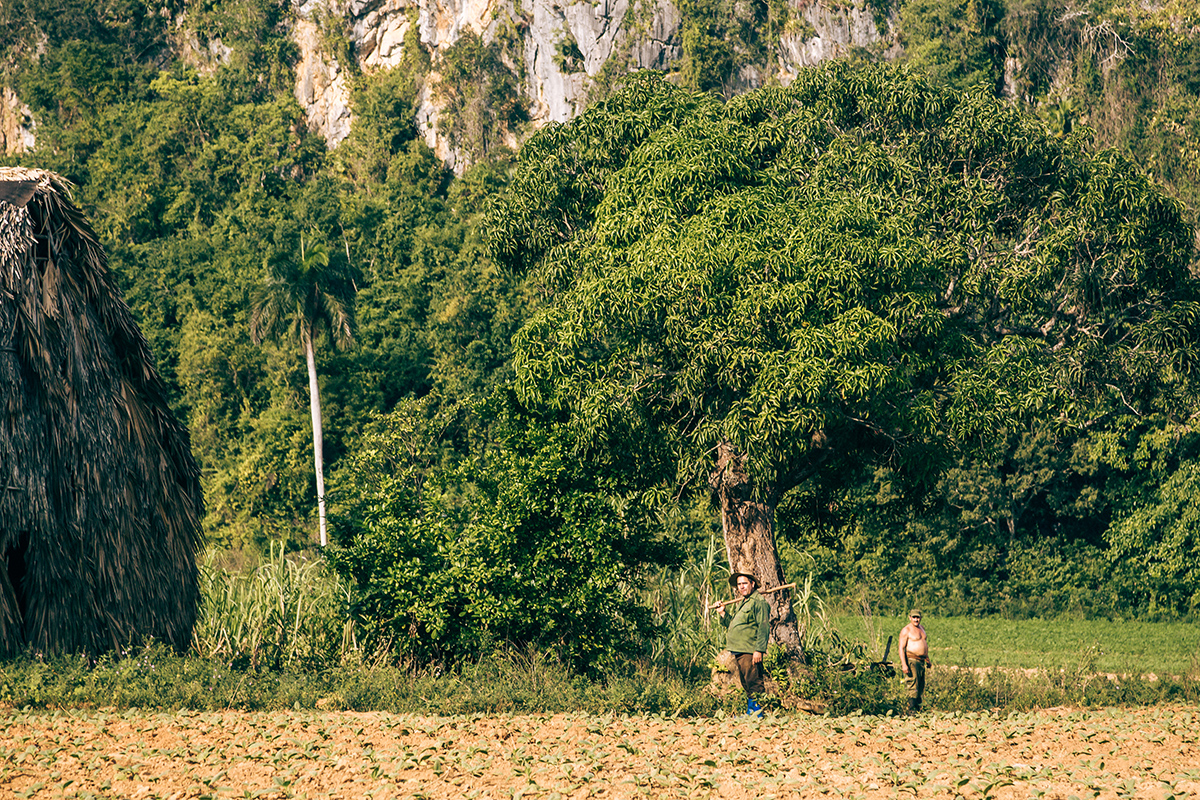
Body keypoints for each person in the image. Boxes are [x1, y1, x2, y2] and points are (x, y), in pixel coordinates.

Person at [714, 571, 770, 715]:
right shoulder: (744, 603)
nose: (741, 587)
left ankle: (758, 713)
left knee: (754, 682)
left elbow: (763, 627)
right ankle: (750, 712)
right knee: (746, 682)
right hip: (739, 649)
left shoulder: (759, 603)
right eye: (739, 584)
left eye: (744, 583)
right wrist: (722, 613)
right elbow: (734, 624)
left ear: (752, 584)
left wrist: (759, 650)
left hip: (749, 650)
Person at [898, 609, 931, 713]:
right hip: (912, 660)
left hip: (921, 661)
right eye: (914, 617)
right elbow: (901, 648)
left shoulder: (922, 628)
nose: (916, 619)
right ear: (910, 617)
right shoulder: (906, 630)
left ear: (920, 618)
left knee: (920, 685)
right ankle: (911, 709)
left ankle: (918, 708)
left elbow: (924, 644)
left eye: (918, 617)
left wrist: (927, 659)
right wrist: (904, 664)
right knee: (913, 684)